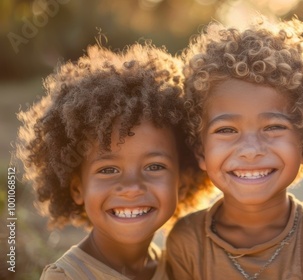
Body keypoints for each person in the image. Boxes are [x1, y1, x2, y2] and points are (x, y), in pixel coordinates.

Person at [165, 17, 303, 280]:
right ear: (200, 151)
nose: (251, 150)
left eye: (274, 127)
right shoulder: (186, 241)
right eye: (227, 130)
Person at [16, 42, 213, 279]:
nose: (131, 187)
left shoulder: (179, 268)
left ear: (181, 181)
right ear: (77, 188)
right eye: (108, 169)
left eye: (154, 166)